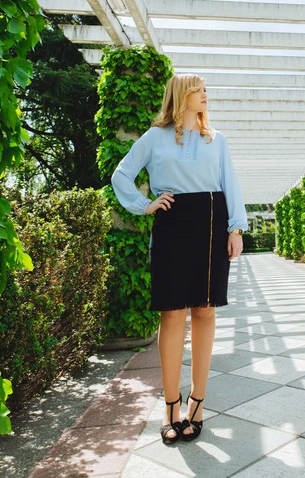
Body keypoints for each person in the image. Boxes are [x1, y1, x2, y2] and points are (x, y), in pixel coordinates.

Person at [111, 74, 248, 446]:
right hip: (172, 224)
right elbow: (120, 174)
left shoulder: (216, 139)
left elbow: (230, 183)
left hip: (211, 222)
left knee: (205, 310)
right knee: (172, 313)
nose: (206, 95)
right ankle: (170, 406)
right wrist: (144, 205)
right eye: (200, 90)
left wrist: (236, 229)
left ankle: (197, 403)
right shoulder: (154, 138)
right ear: (182, 95)